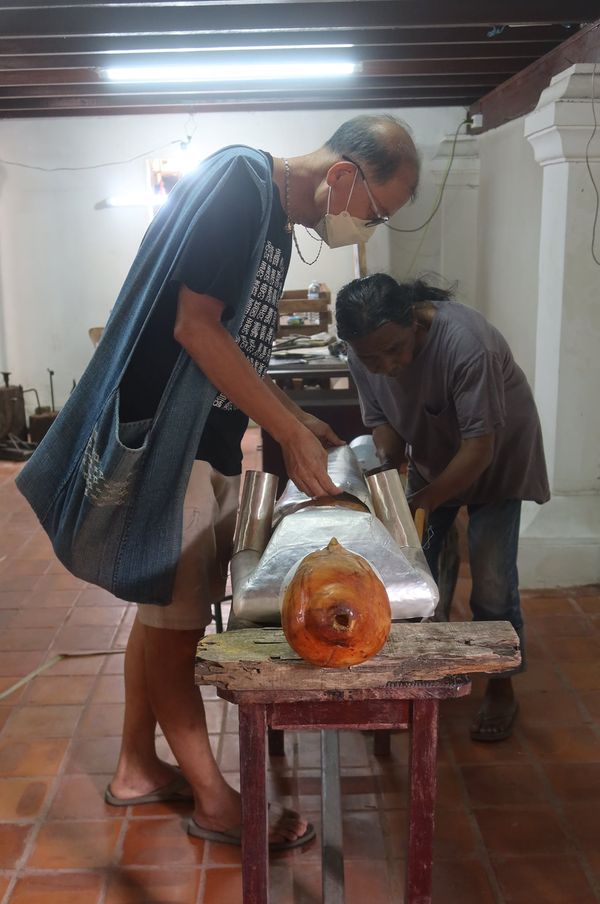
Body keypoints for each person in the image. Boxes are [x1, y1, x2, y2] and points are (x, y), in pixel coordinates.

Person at [18, 116, 420, 848]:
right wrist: (288, 431)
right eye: (376, 212)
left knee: (161, 614)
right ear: (343, 177)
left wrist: (297, 414)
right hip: (169, 448)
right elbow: (194, 329)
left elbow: (235, 348)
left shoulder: (272, 220)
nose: (366, 229)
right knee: (178, 630)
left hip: (201, 441)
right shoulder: (240, 184)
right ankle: (213, 801)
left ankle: (136, 766)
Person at [336, 274, 549, 742]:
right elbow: (384, 423)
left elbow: (479, 449)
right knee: (415, 571)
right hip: (433, 456)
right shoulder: (362, 354)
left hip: (495, 459)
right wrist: (386, 472)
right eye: (371, 359)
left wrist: (424, 499)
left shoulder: (468, 345)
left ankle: (500, 685)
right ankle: (425, 674)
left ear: (414, 322)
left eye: (394, 350)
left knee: (492, 581)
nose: (386, 366)